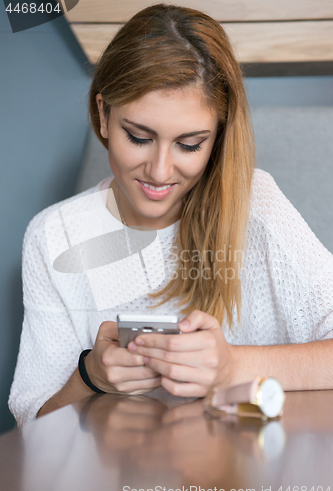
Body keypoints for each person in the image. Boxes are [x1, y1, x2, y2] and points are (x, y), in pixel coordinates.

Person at [8, 4, 333, 427]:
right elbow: (31, 423)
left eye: (190, 144)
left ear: (217, 137)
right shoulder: (53, 236)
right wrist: (90, 376)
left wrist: (233, 366)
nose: (160, 172)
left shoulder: (257, 205)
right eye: (139, 137)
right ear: (103, 114)